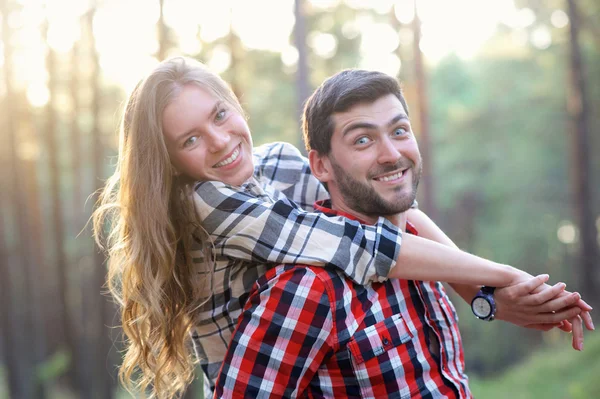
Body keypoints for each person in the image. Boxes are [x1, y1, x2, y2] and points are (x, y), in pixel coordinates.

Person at [93, 57, 592, 399]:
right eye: (192, 139)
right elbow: (361, 245)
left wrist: (483, 293)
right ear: (170, 161)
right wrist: (503, 277)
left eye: (221, 114)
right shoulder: (207, 205)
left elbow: (386, 215)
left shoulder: (279, 166)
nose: (222, 141)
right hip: (246, 363)